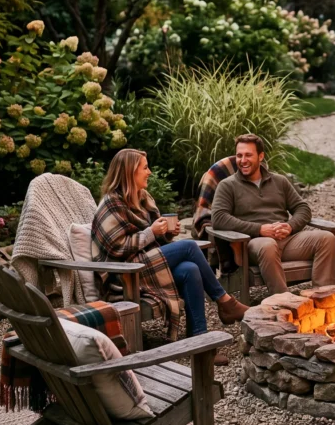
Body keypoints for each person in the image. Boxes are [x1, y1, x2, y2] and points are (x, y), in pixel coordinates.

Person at [92, 149, 247, 363]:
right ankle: (225, 302)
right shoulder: (110, 204)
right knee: (190, 247)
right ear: (129, 172)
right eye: (145, 168)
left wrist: (164, 234)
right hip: (124, 274)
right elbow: (117, 248)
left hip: (146, 264)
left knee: (190, 270)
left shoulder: (142, 198)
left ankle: (200, 344)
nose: (150, 172)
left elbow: (153, 240)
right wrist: (151, 233)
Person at [210, 133, 335, 293]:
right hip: (254, 243)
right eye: (239, 155)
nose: (243, 160)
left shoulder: (279, 181)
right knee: (268, 245)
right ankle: (283, 301)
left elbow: (303, 209)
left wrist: (290, 227)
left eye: (248, 155)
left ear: (260, 156)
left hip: (287, 241)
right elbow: (219, 219)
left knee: (326, 238)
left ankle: (323, 296)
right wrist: (260, 229)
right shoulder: (227, 186)